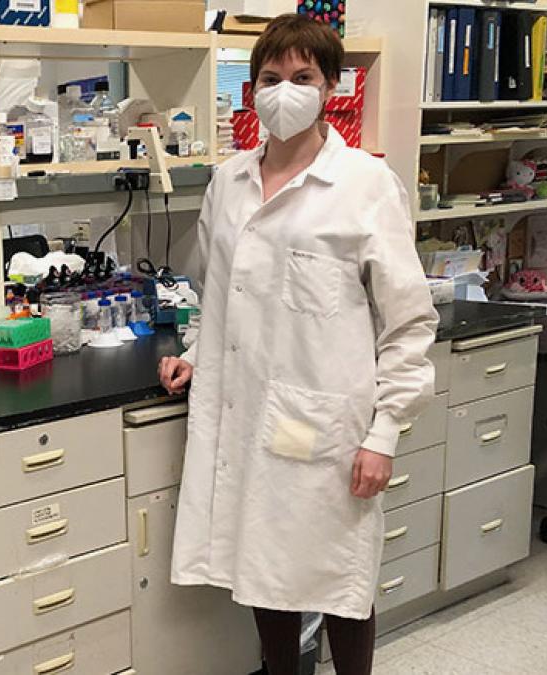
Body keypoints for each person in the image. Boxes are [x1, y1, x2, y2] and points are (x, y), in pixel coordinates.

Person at [158, 14, 438, 675]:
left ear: (331, 86)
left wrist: (385, 431)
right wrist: (194, 353)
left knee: (338, 575)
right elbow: (216, 292)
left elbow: (409, 321)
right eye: (271, 78)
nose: (286, 90)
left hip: (327, 423)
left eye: (303, 77)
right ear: (252, 89)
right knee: (262, 571)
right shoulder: (228, 182)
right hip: (245, 411)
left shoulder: (365, 185)